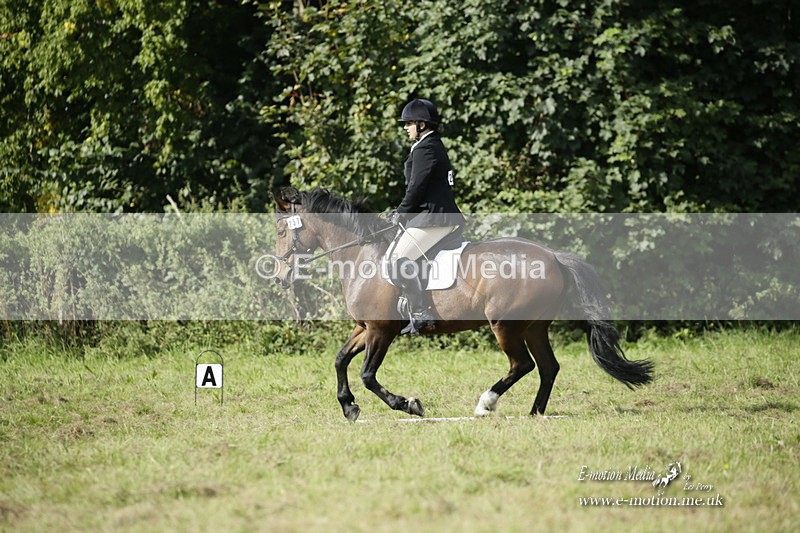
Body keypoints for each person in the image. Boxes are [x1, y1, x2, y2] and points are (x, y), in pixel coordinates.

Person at [386, 98, 466, 335]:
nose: (405, 127)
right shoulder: (428, 145)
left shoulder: (426, 148)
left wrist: (402, 212)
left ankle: (421, 314)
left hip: (434, 218)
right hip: (431, 216)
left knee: (398, 260)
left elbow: (416, 187)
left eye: (409, 123)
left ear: (421, 124)